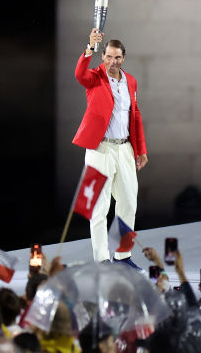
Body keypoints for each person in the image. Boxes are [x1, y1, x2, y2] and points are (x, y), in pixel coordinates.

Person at [74, 28, 148, 266]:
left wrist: (141, 150)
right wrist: (89, 48)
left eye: (117, 57)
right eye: (108, 57)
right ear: (102, 56)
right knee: (98, 206)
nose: (113, 62)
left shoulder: (131, 81)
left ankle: (123, 256)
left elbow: (135, 116)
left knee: (128, 204)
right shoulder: (94, 77)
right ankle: (101, 259)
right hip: (99, 150)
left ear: (123, 58)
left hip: (124, 148)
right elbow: (79, 74)